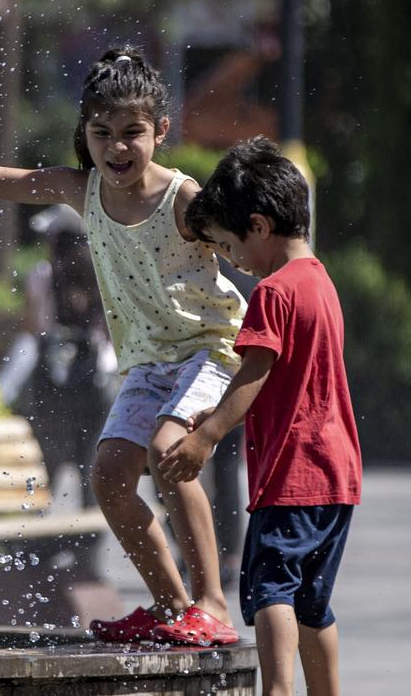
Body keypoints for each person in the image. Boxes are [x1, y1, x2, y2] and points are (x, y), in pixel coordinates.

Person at [0, 47, 244, 646]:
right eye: (102, 133)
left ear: (160, 131)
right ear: (85, 135)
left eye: (132, 133)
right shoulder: (81, 191)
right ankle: (171, 607)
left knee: (171, 450)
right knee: (109, 476)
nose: (117, 148)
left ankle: (213, 604)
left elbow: (248, 251)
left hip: (208, 348)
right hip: (148, 362)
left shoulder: (184, 199)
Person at [159, 138, 361, 694]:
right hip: (337, 475)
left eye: (228, 245)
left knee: (271, 586)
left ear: (259, 226)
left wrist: (209, 436)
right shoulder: (320, 281)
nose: (231, 260)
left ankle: (275, 690)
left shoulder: (272, 292)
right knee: (313, 602)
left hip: (293, 475)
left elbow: (255, 373)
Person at [0, 206, 116, 509]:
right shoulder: (101, 273)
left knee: (46, 462)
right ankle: (88, 551)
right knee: (90, 463)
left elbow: (33, 326)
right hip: (95, 379)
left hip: (52, 379)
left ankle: (40, 543)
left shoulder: (43, 273)